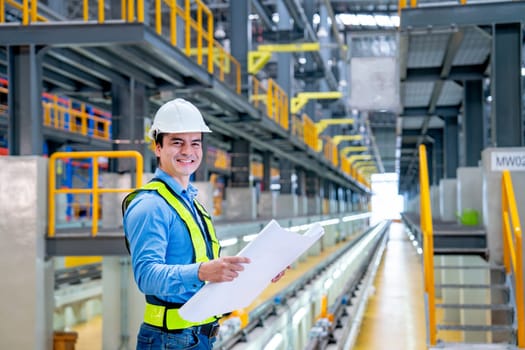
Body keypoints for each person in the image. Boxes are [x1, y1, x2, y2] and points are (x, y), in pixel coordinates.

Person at [122, 98, 284, 350]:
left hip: (197, 337)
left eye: (195, 143)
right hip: (169, 340)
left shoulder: (192, 204)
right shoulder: (150, 205)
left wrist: (260, 271)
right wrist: (201, 272)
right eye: (177, 142)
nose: (188, 151)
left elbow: (210, 267)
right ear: (157, 147)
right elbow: (146, 275)